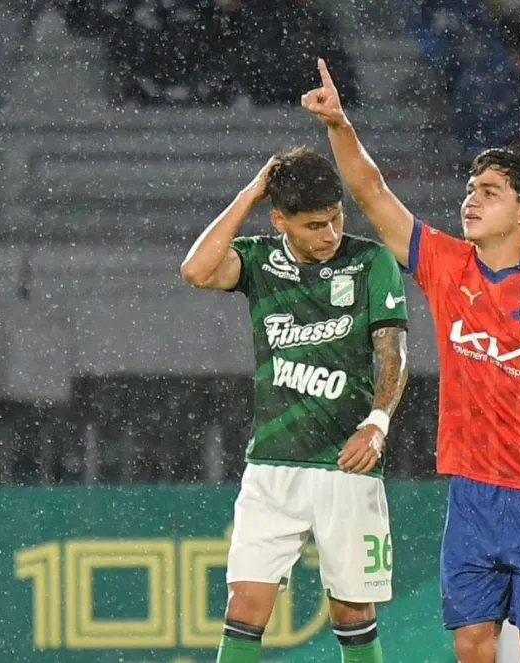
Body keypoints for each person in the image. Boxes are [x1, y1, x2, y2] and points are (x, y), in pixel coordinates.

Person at [302, 60, 520, 663]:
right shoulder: (446, 265)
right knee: (472, 645)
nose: (471, 200)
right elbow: (371, 192)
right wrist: (338, 124)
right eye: (469, 188)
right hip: (474, 494)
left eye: (490, 192)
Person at [180, 147, 410, 663]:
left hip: (346, 463)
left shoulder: (369, 261)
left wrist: (377, 424)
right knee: (246, 604)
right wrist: (250, 193)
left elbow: (392, 353)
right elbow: (195, 270)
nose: (329, 234)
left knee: (352, 611)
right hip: (273, 463)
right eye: (313, 225)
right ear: (279, 220)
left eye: (335, 219)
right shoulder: (259, 261)